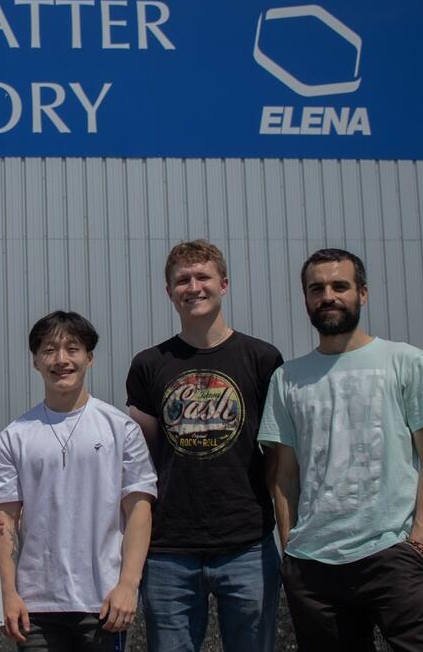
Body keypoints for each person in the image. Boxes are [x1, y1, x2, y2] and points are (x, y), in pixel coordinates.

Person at [259, 248, 423, 651]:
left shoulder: (404, 361)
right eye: (317, 288)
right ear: (306, 299)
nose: (328, 295)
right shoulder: (287, 379)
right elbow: (285, 474)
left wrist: (419, 540)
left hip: (391, 553)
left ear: (362, 293)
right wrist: (289, 548)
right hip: (312, 566)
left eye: (340, 286)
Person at [125, 240, 283, 652]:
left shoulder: (262, 359)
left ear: (224, 284)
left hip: (248, 543)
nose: (193, 287)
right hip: (168, 550)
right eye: (182, 280)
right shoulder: (149, 364)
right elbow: (141, 461)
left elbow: (279, 457)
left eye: (202, 277)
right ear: (169, 292)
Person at [0, 311, 157, 651]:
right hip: (35, 607)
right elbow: (5, 520)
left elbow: (139, 510)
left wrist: (128, 584)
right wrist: (8, 594)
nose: (61, 359)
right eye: (49, 350)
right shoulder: (15, 436)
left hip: (103, 602)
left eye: (72, 348)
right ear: (36, 361)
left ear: (89, 358)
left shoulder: (120, 428)